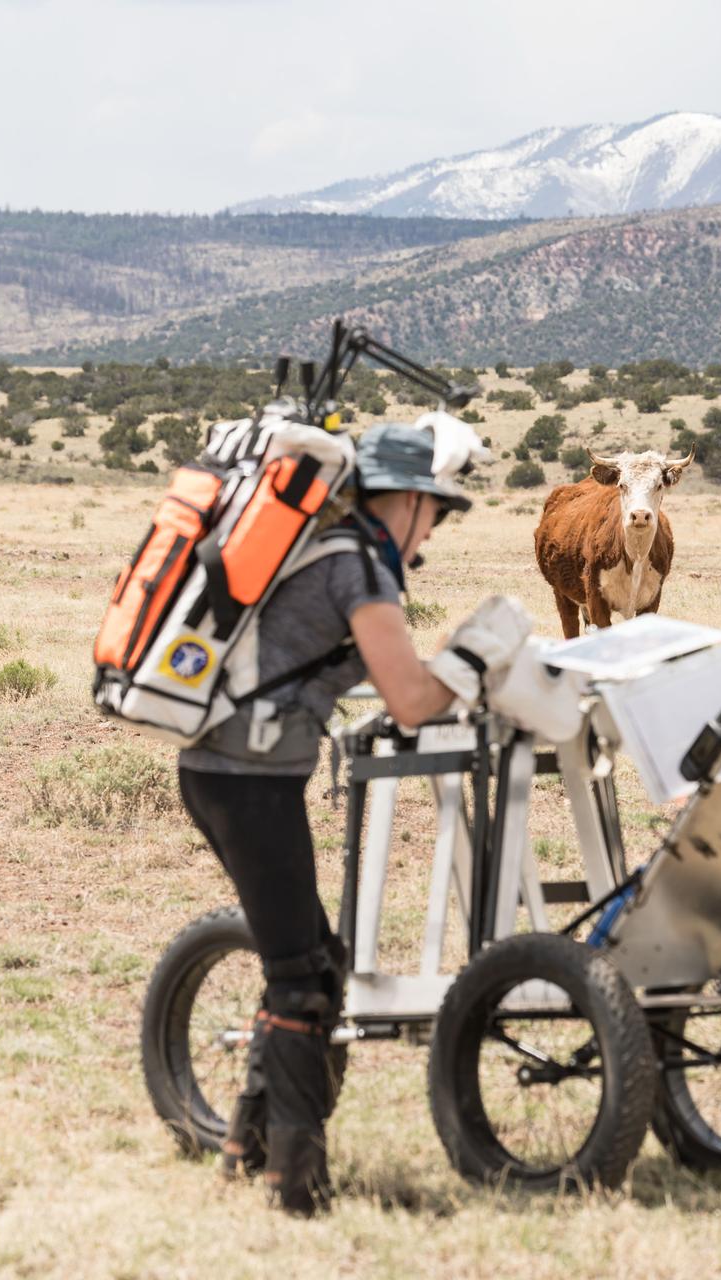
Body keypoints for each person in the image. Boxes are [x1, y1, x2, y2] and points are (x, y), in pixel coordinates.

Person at [177, 419, 530, 1215]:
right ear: (403, 500)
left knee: (311, 960)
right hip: (250, 781)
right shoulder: (358, 565)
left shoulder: (319, 547)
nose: (430, 533)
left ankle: (247, 1143)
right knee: (305, 978)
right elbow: (409, 700)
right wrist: (474, 655)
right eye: (433, 513)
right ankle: (295, 1188)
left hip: (223, 772)